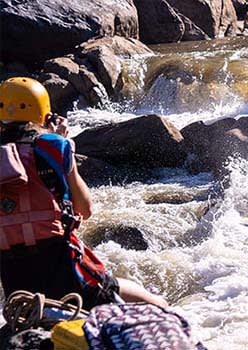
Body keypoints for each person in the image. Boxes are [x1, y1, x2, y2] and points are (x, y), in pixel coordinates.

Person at [0, 77, 167, 309]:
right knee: (152, 302)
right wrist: (62, 141)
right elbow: (84, 209)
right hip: (68, 278)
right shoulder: (54, 146)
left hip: (16, 287)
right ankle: (167, 314)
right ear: (45, 115)